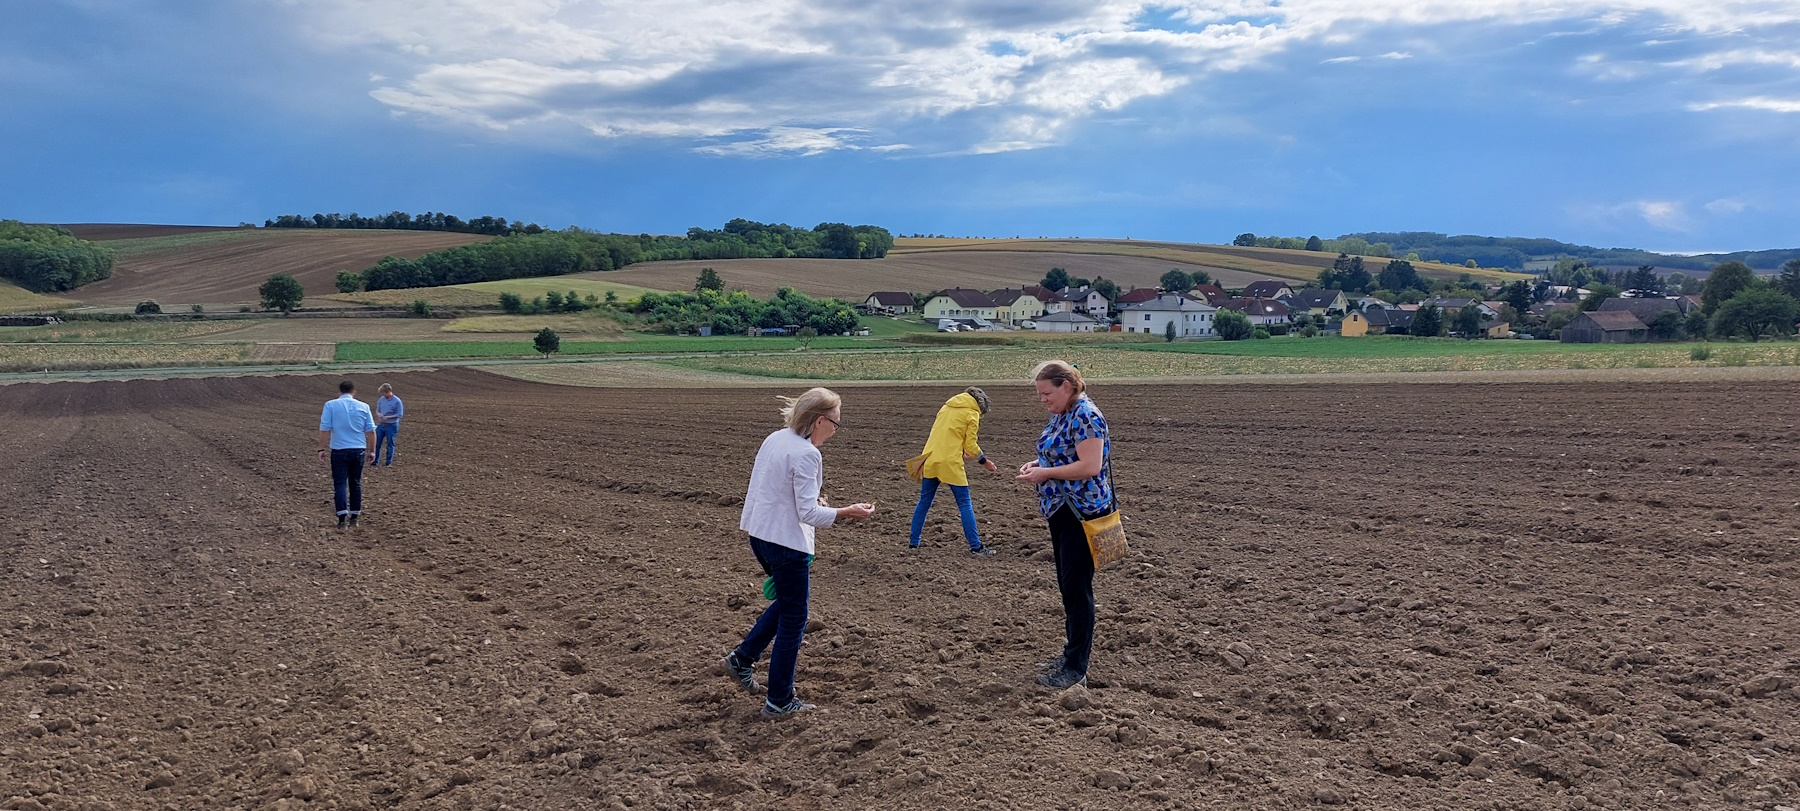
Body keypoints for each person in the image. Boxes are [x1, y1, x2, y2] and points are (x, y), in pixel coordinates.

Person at [724, 387, 875, 718]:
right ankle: (779, 700)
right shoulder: (808, 454)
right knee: (795, 618)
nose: (836, 430)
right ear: (820, 420)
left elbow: (774, 490)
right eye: (836, 423)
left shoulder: (776, 438)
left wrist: (820, 504)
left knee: (788, 603)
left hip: (760, 536)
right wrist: (846, 511)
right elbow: (807, 514)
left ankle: (742, 659)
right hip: (786, 544)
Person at [1015, 360, 1112, 690]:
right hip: (1061, 511)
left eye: (1047, 393)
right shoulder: (1064, 413)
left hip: (1082, 514)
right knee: (1068, 587)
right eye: (1039, 394)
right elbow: (1060, 454)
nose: (1043, 400)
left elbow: (1089, 465)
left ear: (1066, 386)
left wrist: (1046, 473)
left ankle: (1075, 668)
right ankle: (1071, 655)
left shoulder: (1086, 415)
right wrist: (1038, 465)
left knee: (1077, 590)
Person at [908, 387, 999, 555]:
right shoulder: (972, 414)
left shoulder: (946, 407)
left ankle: (914, 543)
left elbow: (946, 434)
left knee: (924, 502)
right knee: (964, 503)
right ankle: (976, 546)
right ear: (980, 406)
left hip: (930, 459)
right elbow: (971, 445)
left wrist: (962, 447)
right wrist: (984, 461)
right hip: (950, 463)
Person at [317, 380, 376, 530]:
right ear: (353, 391)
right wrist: (373, 450)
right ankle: (355, 517)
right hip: (358, 450)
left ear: (340, 391)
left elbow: (325, 429)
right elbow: (371, 431)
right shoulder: (364, 406)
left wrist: (321, 449)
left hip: (339, 450)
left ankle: (342, 517)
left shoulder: (330, 405)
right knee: (355, 483)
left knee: (340, 483)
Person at [373, 383, 404, 466]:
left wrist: (388, 417)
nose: (382, 395)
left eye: (383, 393)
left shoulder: (397, 401)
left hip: (391, 425)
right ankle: (375, 461)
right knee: (376, 443)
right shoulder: (381, 400)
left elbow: (399, 414)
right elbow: (378, 410)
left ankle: (388, 462)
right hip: (381, 424)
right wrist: (379, 414)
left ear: (388, 391)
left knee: (390, 443)